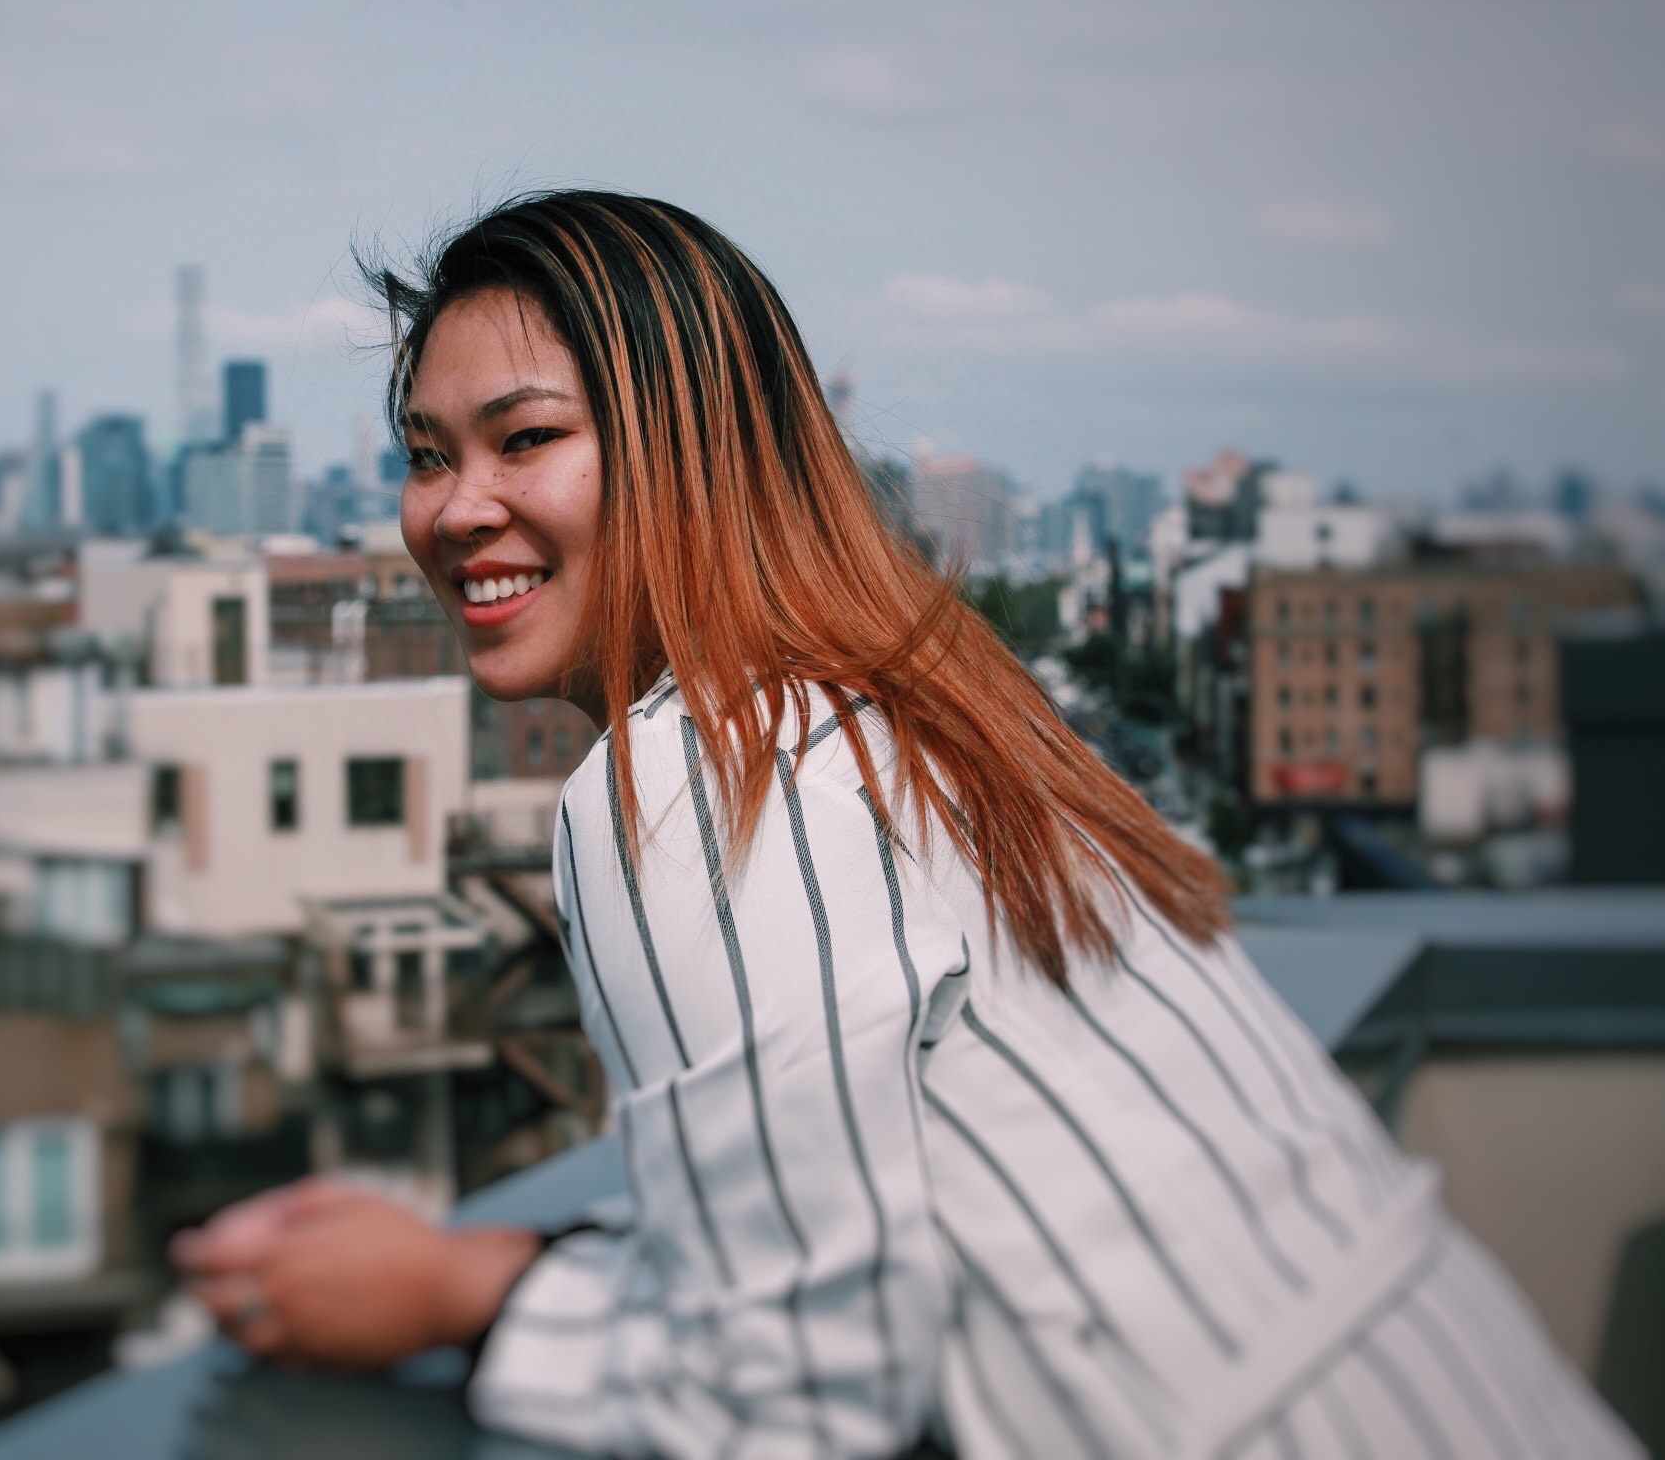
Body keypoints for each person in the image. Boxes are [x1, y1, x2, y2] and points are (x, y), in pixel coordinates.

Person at [171, 191, 1637, 1459]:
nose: (454, 509)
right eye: (429, 455)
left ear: (699, 453)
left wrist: (469, 1302)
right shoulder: (918, 701)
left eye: (525, 438)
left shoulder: (695, 774)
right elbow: (858, 1239)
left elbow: (792, 1409)